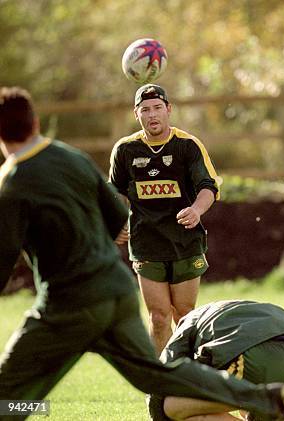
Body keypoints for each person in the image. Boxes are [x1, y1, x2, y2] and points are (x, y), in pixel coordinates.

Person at [0, 87, 284, 421]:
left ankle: (24, 409)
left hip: (67, 302)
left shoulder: (12, 182)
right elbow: (117, 218)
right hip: (115, 291)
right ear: (36, 121)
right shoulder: (72, 157)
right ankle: (263, 397)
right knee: (155, 373)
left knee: (7, 393)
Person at [109, 84, 219, 354]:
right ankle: (160, 384)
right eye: (145, 110)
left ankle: (187, 376)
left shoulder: (187, 146)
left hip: (184, 242)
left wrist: (196, 210)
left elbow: (209, 187)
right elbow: (113, 192)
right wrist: (115, 222)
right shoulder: (125, 150)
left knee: (184, 314)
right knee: (158, 317)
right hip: (147, 243)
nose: (152, 115)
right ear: (137, 114)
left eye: (157, 108)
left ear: (168, 109)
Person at [150, 300, 284, 421]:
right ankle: (265, 399)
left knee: (171, 407)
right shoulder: (234, 311)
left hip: (252, 355)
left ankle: (264, 398)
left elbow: (164, 375)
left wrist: (158, 413)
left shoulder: (187, 323)